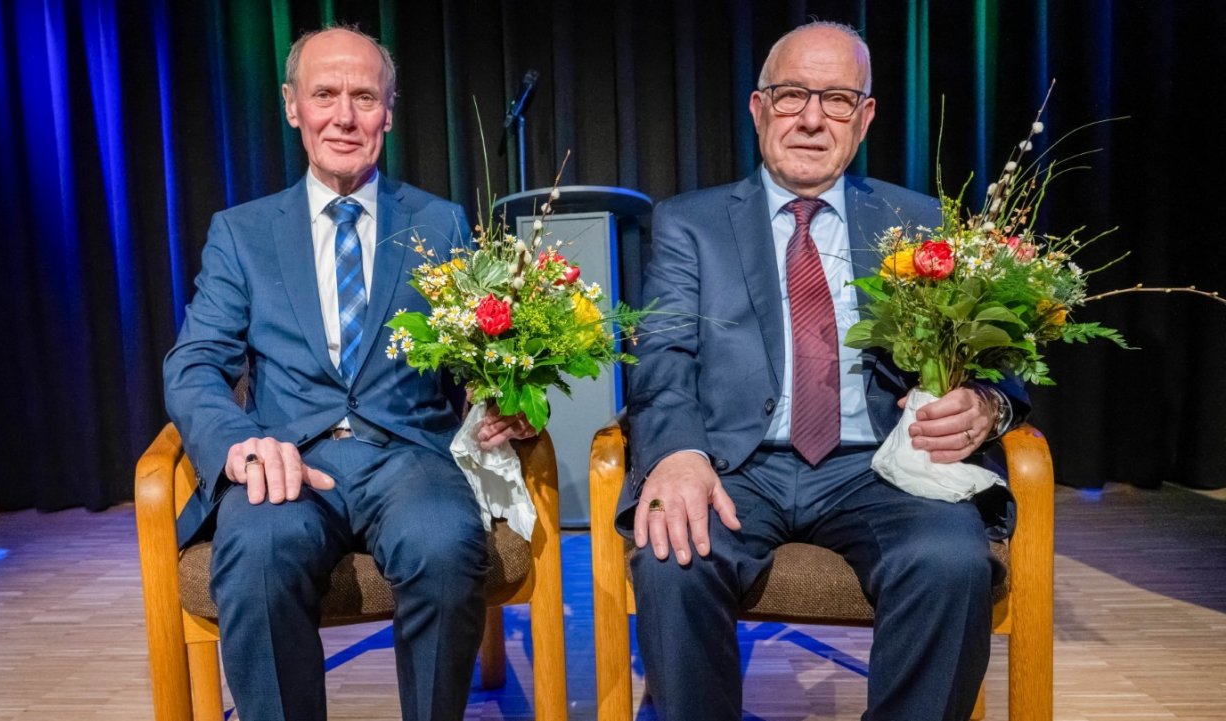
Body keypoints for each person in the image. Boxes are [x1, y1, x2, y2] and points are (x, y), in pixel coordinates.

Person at [621, 21, 1029, 721]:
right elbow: (662, 355)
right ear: (758, 109)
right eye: (791, 96)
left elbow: (999, 364)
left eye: (837, 99)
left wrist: (987, 406)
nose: (812, 118)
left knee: (952, 561)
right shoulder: (690, 222)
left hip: (878, 467)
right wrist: (679, 452)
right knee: (672, 559)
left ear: (865, 116)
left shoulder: (919, 219)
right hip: (733, 464)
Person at [163, 27, 532, 721]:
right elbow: (194, 362)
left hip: (410, 457)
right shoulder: (242, 233)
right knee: (257, 551)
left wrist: (505, 398)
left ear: (388, 113)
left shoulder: (440, 221)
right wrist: (239, 444)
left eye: (364, 97)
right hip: (287, 461)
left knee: (447, 546)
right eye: (325, 94)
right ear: (291, 106)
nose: (344, 115)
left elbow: (480, 358)